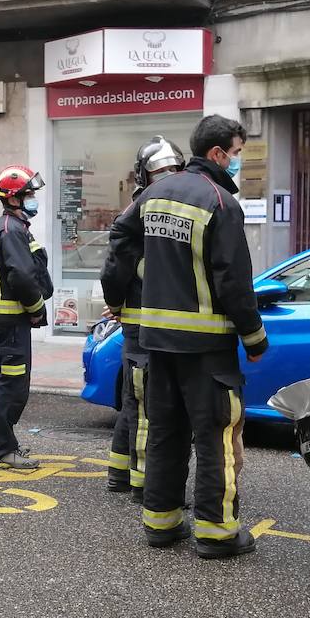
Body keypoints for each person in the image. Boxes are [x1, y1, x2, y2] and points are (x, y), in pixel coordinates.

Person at [102, 115, 268, 558]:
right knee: (216, 436)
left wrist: (116, 299)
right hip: (206, 348)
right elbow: (234, 281)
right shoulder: (220, 202)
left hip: (156, 343)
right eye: (236, 153)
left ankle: (162, 523)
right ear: (217, 153)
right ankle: (216, 533)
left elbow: (119, 243)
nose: (237, 161)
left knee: (165, 432)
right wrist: (254, 338)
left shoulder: (152, 196)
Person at [102, 136, 186, 498]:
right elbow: (115, 268)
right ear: (143, 175)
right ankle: (143, 483)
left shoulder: (165, 208)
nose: (167, 175)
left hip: (150, 323)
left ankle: (119, 473)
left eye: (173, 169)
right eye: (159, 171)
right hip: (143, 326)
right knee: (144, 406)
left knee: (133, 401)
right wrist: (116, 305)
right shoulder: (138, 212)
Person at [0, 164, 54, 470]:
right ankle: (3, 450)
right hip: (11, 323)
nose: (33, 199)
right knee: (12, 386)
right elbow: (22, 276)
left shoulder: (11, 227)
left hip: (6, 323)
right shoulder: (11, 230)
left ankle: (5, 444)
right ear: (12, 198)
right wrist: (36, 310)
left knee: (7, 384)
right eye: (29, 194)